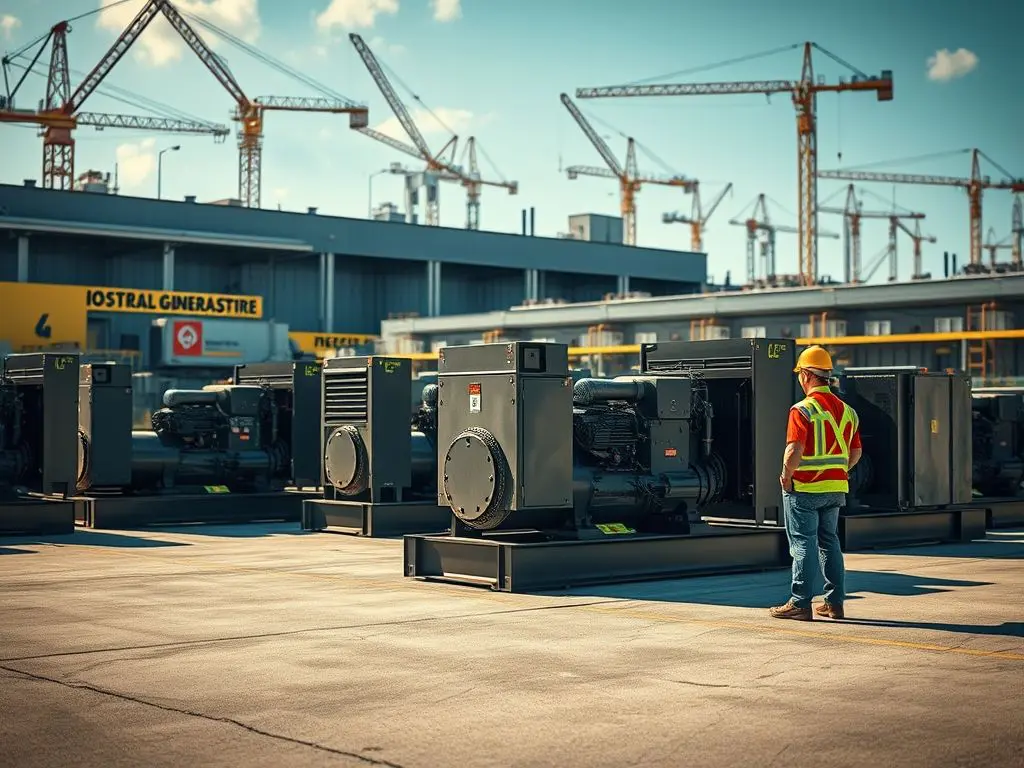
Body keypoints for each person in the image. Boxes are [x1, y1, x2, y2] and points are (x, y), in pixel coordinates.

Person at [769, 345, 862, 622]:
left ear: (807, 375)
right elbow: (855, 452)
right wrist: (837, 470)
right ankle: (834, 603)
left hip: (806, 488)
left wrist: (786, 476)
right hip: (835, 489)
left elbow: (793, 449)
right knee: (829, 542)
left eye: (800, 373)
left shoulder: (802, 409)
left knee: (802, 544)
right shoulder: (848, 411)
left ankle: (800, 603)